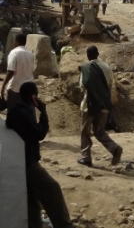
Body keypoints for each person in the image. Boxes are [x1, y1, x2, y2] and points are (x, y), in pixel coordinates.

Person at [6, 82, 74, 228]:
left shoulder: (16, 110)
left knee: (32, 199)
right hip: (29, 162)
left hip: (19, 162)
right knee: (52, 189)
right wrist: (43, 113)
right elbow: (39, 133)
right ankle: (64, 224)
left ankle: (34, 224)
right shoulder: (23, 113)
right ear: (33, 97)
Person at [78, 46, 122, 166]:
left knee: (85, 132)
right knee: (99, 131)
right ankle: (114, 148)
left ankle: (86, 157)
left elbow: (83, 85)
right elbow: (110, 83)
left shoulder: (86, 68)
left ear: (87, 55)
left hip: (90, 105)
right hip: (104, 104)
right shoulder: (106, 67)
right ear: (98, 54)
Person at [1, 33, 35, 110]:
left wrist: (3, 87)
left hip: (16, 88)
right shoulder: (30, 54)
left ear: (17, 42)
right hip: (29, 87)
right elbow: (32, 70)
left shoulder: (14, 53)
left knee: (13, 113)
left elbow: (11, 72)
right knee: (28, 112)